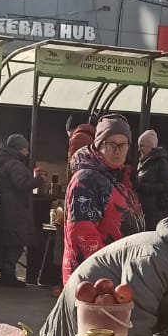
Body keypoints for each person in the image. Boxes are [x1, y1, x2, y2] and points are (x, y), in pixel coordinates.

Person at [63, 114, 146, 283]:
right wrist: (108, 272)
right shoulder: (86, 180)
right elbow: (83, 233)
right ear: (99, 144)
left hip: (118, 274)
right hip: (93, 279)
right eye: (111, 144)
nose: (118, 150)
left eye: (123, 144)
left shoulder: (119, 178)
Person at [0, 134, 38, 287]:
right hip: (16, 209)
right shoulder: (15, 165)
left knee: (9, 242)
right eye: (26, 148)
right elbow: (21, 185)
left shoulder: (5, 162)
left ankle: (6, 273)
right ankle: (8, 274)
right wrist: (38, 180)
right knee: (17, 242)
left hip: (6, 208)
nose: (28, 152)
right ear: (20, 149)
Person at [135, 129, 168, 226]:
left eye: (142, 146)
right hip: (144, 209)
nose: (139, 149)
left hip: (155, 210)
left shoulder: (161, 162)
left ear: (151, 146)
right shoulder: (143, 161)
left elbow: (166, 185)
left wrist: (143, 187)